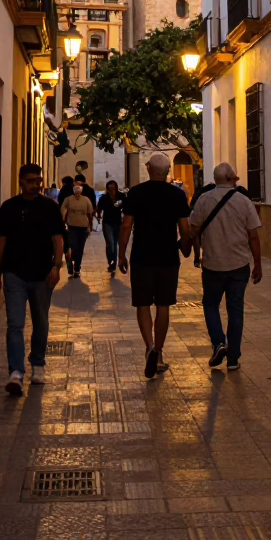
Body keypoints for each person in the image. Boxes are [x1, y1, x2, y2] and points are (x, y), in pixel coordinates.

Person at [0, 162, 64, 396]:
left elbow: (58, 239)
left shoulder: (50, 207)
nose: (35, 185)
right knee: (15, 324)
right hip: (14, 273)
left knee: (41, 321)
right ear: (20, 181)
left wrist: (56, 266)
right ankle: (16, 372)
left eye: (38, 181)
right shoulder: (9, 207)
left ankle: (38, 364)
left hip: (42, 274)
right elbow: (0, 242)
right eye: (30, 181)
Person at [118, 153, 191, 378]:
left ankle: (149, 346)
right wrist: (187, 247)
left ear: (148, 169)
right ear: (168, 170)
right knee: (163, 306)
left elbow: (126, 226)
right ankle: (158, 353)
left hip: (142, 257)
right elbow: (185, 228)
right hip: (168, 257)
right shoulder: (178, 195)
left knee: (142, 305)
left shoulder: (136, 193)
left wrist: (121, 254)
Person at [189, 162, 262, 371]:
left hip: (213, 264)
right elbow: (253, 236)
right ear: (232, 179)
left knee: (211, 304)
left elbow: (194, 229)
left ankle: (219, 342)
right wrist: (257, 264)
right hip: (239, 264)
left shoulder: (204, 200)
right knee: (235, 309)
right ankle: (233, 359)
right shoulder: (244, 201)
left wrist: (196, 252)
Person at [61, 180, 94, 277]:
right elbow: (63, 211)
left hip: (83, 227)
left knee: (80, 248)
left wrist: (90, 225)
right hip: (72, 226)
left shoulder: (86, 200)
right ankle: (70, 265)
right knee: (73, 246)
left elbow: (89, 213)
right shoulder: (68, 199)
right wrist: (63, 222)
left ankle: (77, 268)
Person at [97, 179, 125, 274]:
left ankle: (113, 263)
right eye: (110, 188)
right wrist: (98, 215)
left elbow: (124, 207)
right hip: (107, 222)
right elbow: (99, 208)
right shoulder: (104, 198)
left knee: (115, 243)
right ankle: (111, 261)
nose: (112, 190)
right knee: (110, 243)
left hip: (117, 222)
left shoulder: (121, 196)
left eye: (113, 188)